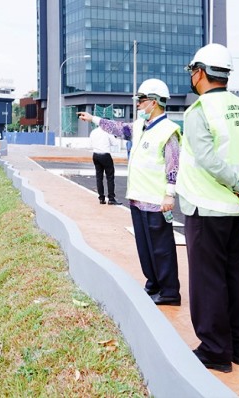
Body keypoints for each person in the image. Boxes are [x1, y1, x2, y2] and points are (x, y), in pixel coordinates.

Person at [176, 44, 239, 373]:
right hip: (237, 210)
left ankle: (215, 350)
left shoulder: (199, 110)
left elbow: (207, 158)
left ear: (200, 72)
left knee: (208, 280)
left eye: (193, 71)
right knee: (236, 276)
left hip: (205, 207)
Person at [79, 79, 181, 306]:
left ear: (154, 102)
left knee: (161, 248)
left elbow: (173, 164)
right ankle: (153, 283)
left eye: (141, 100)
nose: (138, 104)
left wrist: (170, 194)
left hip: (156, 201)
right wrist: (93, 119)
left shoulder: (168, 131)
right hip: (138, 198)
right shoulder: (140, 127)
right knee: (145, 247)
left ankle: (169, 292)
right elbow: (118, 128)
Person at [89, 122, 121, 205]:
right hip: (105, 155)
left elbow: (91, 144)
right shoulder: (108, 132)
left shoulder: (93, 132)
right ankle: (111, 198)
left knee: (99, 177)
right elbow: (114, 143)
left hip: (95, 155)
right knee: (110, 177)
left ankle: (101, 198)